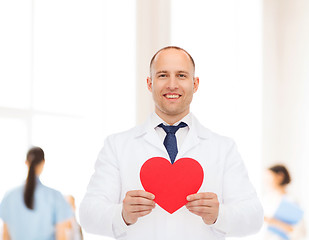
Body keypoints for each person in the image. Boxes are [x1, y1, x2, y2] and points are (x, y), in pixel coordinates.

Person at [79, 46, 264, 239]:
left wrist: (219, 215)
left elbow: (254, 216)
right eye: (163, 75)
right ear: (150, 83)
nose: (172, 85)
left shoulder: (223, 148)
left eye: (182, 75)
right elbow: (88, 214)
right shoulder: (117, 145)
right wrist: (122, 214)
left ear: (195, 83)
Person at [0, 147, 73, 240]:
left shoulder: (9, 196)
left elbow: (5, 236)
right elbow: (61, 237)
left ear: (26, 163)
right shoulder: (55, 197)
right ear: (43, 163)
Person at [263, 164, 306, 240]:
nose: (266, 181)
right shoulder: (266, 199)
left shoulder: (292, 201)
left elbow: (301, 232)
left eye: (269, 177)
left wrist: (274, 222)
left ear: (280, 176)